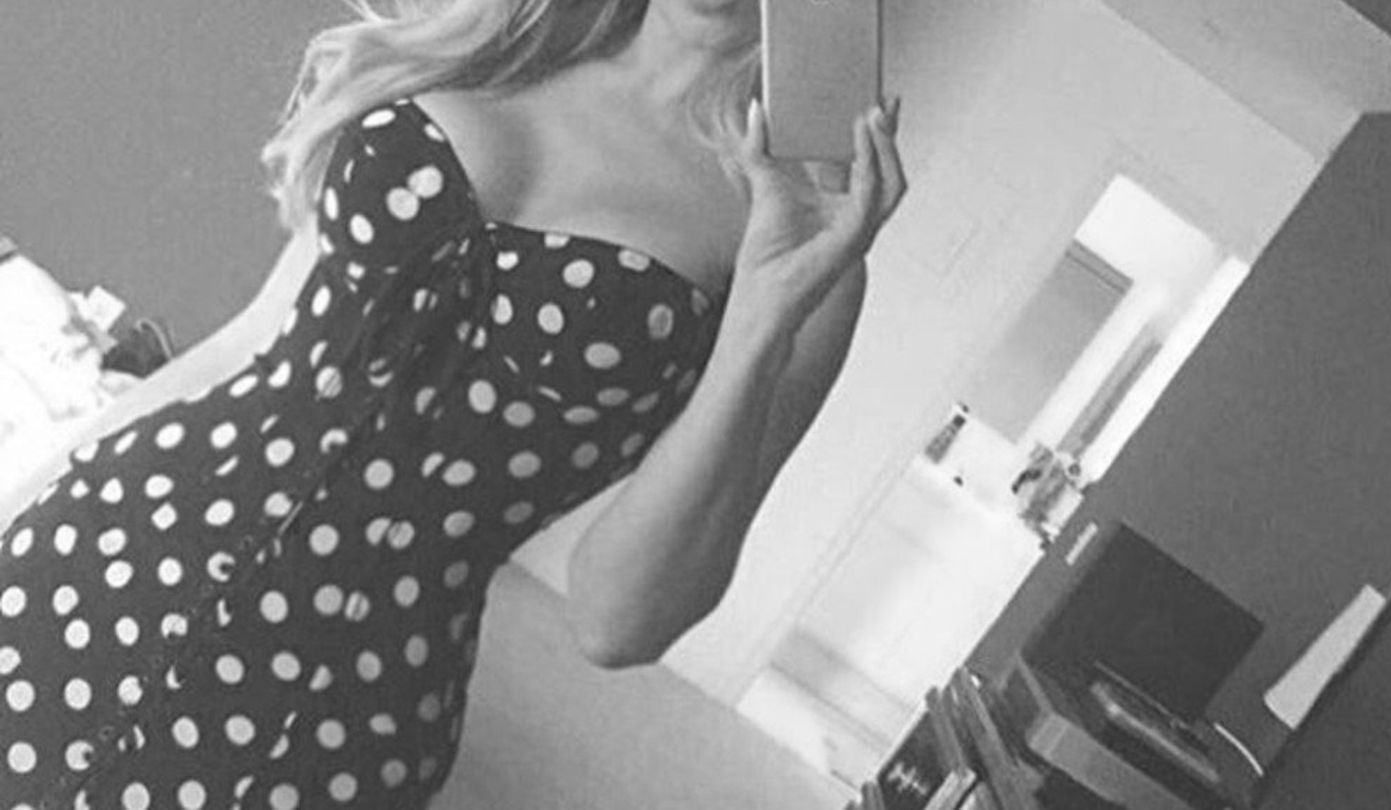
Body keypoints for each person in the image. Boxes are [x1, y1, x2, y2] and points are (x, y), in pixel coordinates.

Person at [0, 0, 905, 806]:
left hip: (331, 703)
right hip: (99, 552)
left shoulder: (801, 244)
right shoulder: (496, 43)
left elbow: (616, 621)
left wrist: (758, 322)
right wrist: (24, 502)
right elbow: (249, 346)